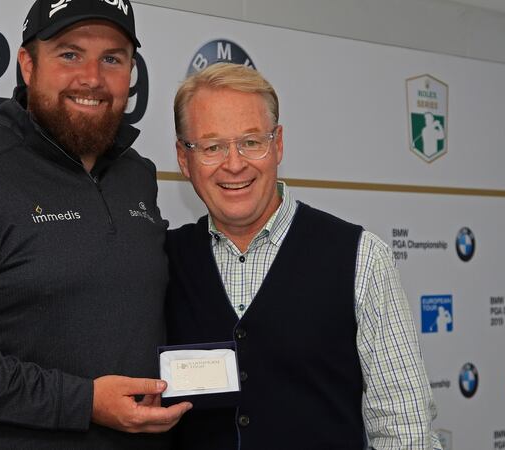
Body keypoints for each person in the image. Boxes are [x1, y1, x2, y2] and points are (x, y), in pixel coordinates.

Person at [0, 1, 190, 448]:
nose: (92, 78)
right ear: (28, 64)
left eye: (112, 58)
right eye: (69, 54)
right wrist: (81, 401)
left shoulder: (137, 175)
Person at [165, 63, 441, 449]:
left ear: (277, 144)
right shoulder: (161, 262)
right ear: (184, 158)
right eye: (212, 147)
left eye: (251, 141)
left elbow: (404, 424)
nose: (234, 163)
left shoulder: (361, 259)